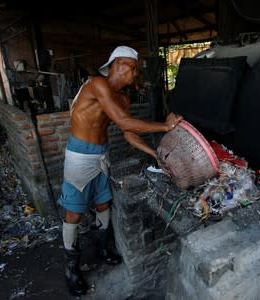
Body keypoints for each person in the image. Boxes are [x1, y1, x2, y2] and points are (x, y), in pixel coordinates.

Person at [59, 45, 182, 296]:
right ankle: (71, 269)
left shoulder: (122, 97)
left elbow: (128, 133)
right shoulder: (97, 84)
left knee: (104, 203)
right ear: (116, 64)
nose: (135, 73)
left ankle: (103, 248)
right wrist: (165, 128)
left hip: (101, 154)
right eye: (132, 67)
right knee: (74, 212)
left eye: (136, 69)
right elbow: (124, 121)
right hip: (80, 155)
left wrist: (153, 154)